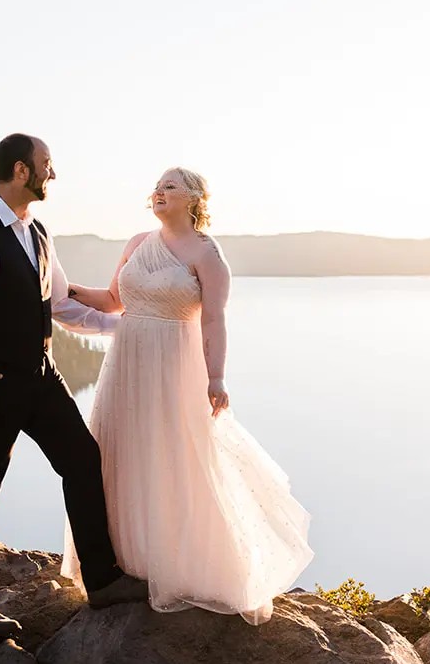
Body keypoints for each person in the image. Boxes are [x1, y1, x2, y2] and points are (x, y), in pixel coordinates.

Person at [0, 133, 148, 636]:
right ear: (21, 171)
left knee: (83, 461)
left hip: (42, 378)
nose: (53, 173)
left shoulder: (38, 232)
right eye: (47, 164)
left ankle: (103, 581)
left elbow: (59, 304)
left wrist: (128, 331)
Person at [62, 167, 312, 623]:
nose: (159, 191)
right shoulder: (138, 243)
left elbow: (214, 320)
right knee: (123, 452)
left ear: (194, 198)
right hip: (126, 363)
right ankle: (124, 563)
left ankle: (175, 565)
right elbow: (113, 300)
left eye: (171, 186)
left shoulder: (208, 254)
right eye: (157, 185)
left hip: (175, 367)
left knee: (176, 456)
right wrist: (61, 290)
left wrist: (216, 378)